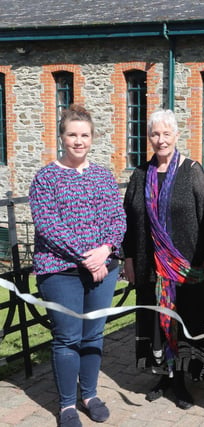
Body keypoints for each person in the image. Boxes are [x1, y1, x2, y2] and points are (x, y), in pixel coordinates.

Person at [29, 104, 126, 427]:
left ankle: (90, 394)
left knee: (93, 335)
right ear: (62, 136)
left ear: (92, 138)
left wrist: (107, 250)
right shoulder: (46, 178)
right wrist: (88, 257)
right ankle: (67, 405)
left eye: (84, 135)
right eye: (72, 134)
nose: (78, 141)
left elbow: (117, 217)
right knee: (68, 338)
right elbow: (48, 226)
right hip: (60, 271)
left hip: (103, 269)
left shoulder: (102, 175)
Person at [122, 110, 204, 410]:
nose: (160, 140)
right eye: (154, 134)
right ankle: (164, 377)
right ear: (148, 137)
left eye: (166, 134)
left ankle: (181, 382)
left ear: (177, 135)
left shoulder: (192, 171)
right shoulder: (140, 175)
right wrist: (127, 257)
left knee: (184, 322)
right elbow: (128, 219)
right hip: (149, 266)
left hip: (186, 267)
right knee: (156, 324)